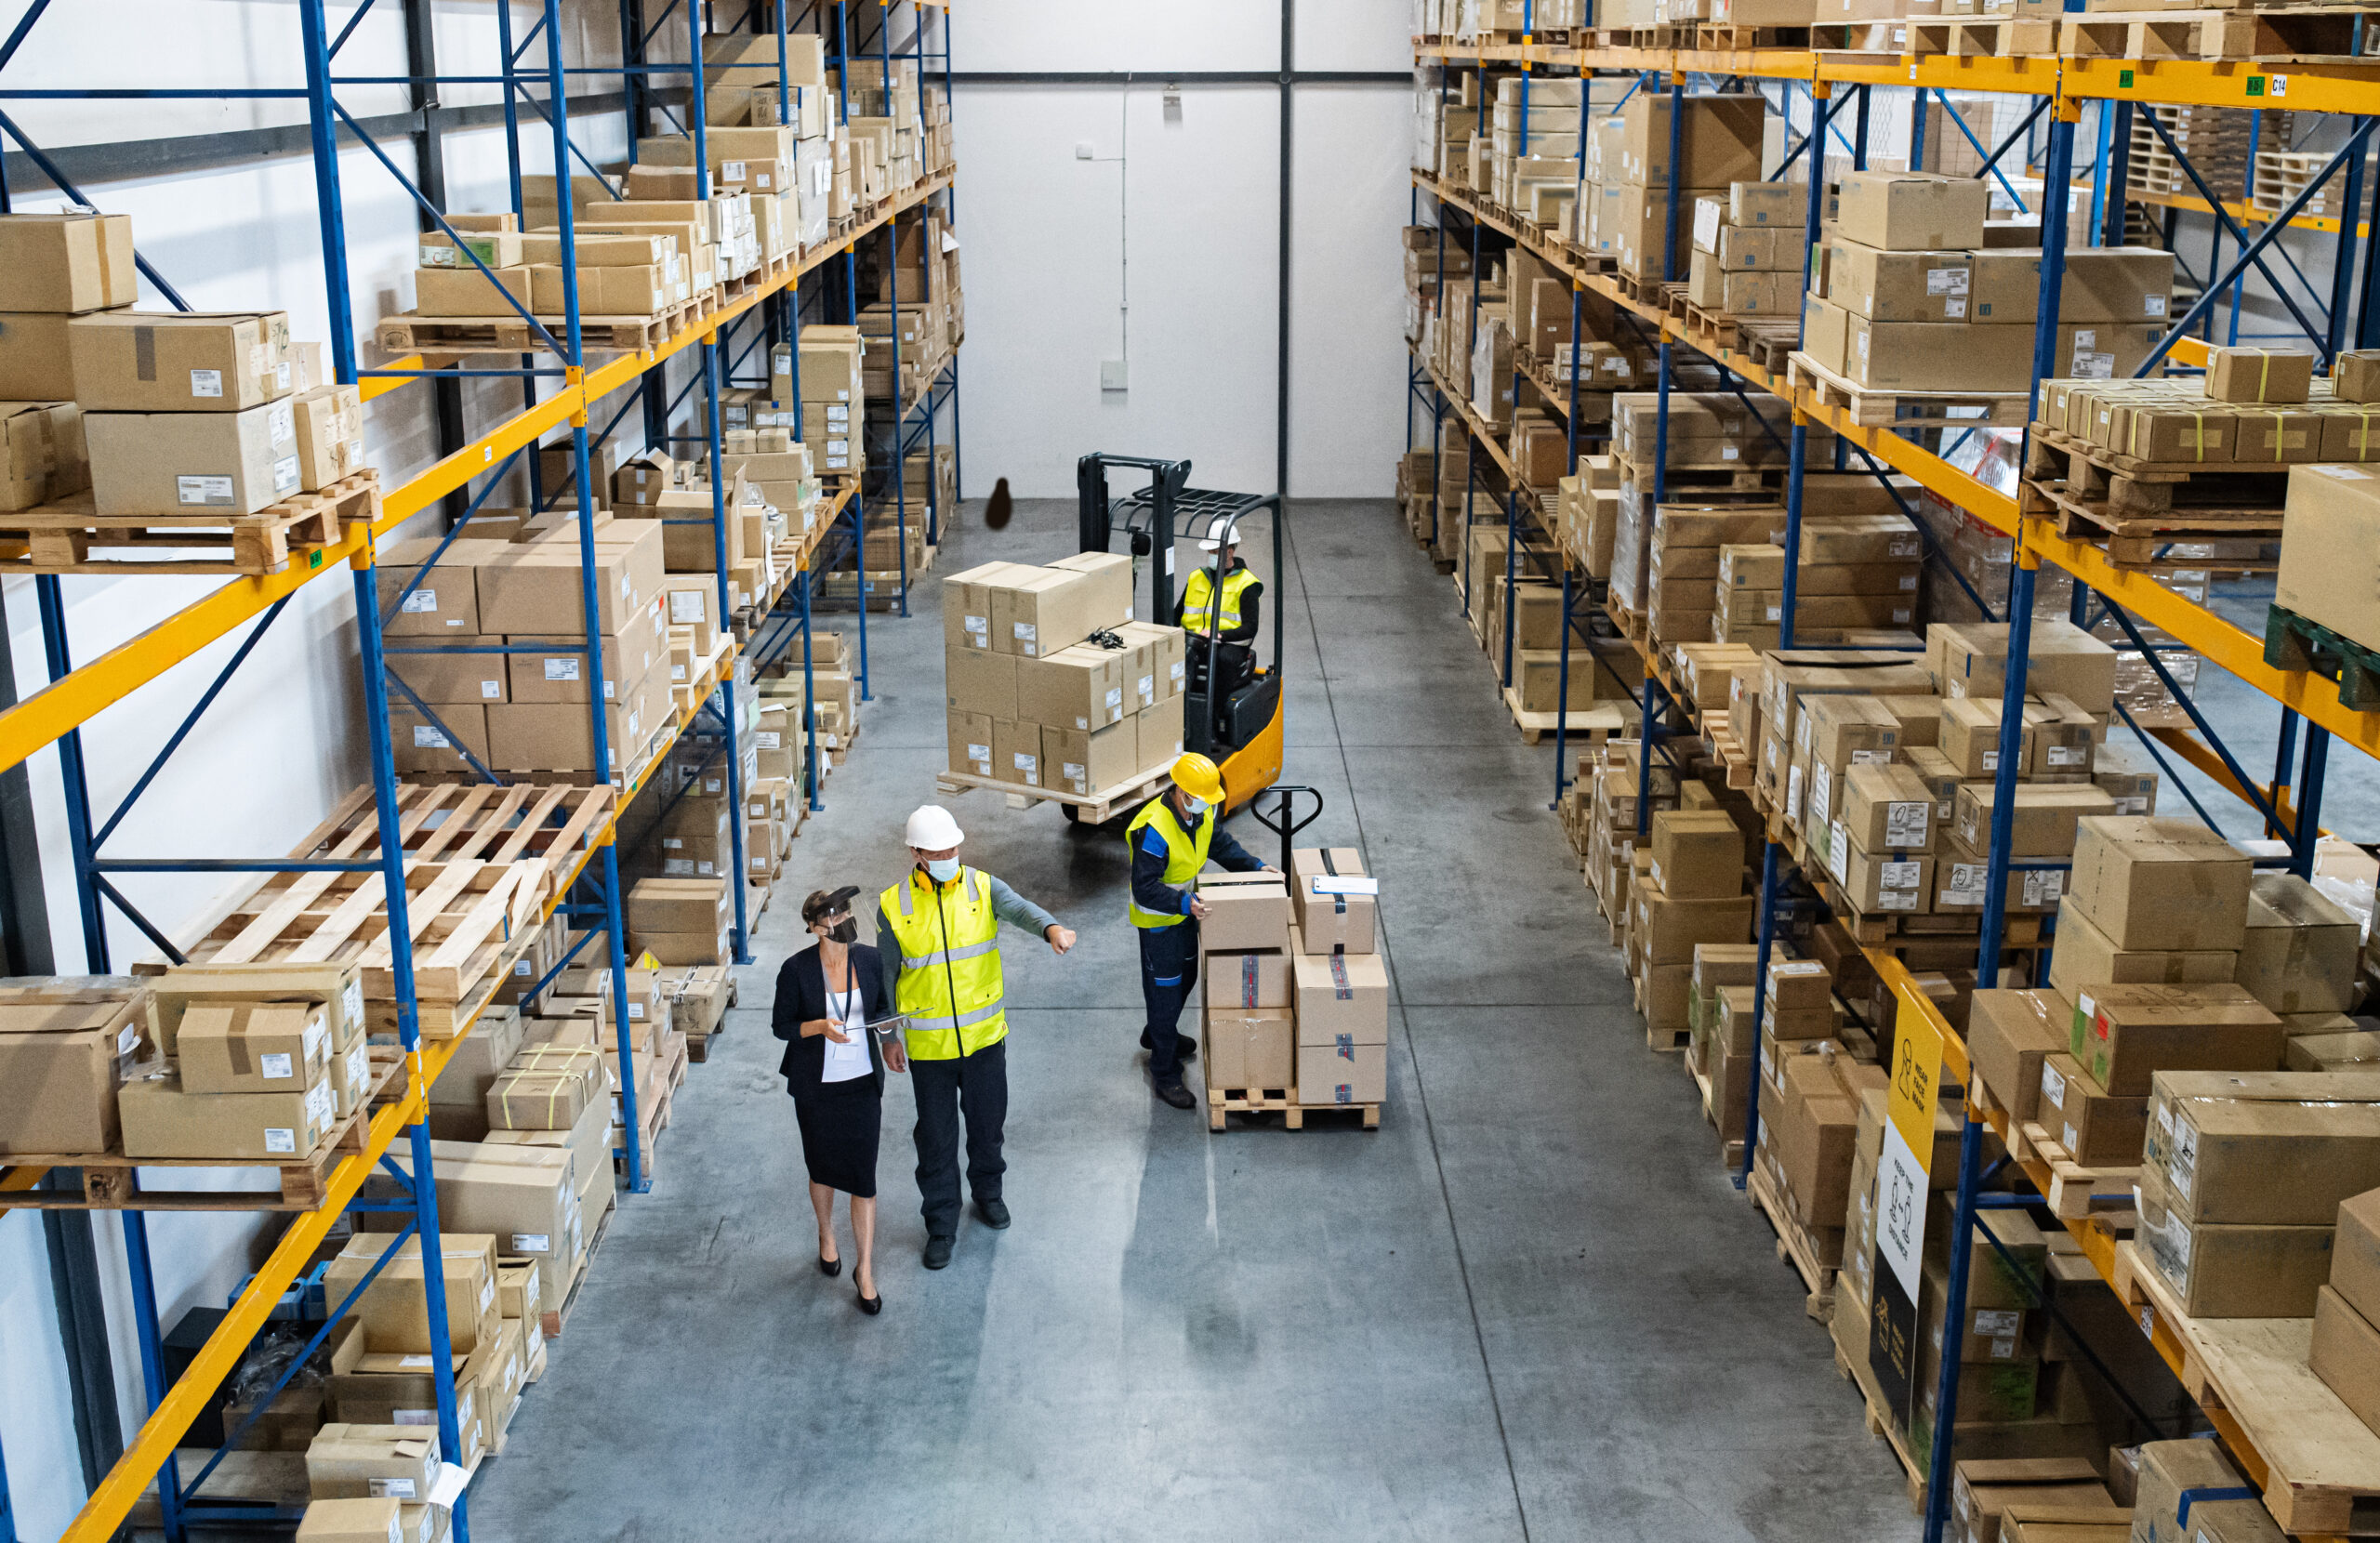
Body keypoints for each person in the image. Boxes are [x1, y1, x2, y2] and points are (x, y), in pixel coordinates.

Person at [876, 805, 1076, 1271]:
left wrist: (1051, 928)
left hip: (985, 1040)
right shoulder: (893, 905)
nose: (949, 856)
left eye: (953, 848)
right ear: (916, 853)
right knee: (937, 1140)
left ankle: (988, 1194)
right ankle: (941, 1224)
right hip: (930, 1051)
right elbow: (884, 975)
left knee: (987, 1127)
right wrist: (888, 1036)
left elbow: (1020, 909)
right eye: (938, 851)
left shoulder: (982, 887)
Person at [773, 886, 904, 1315]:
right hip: (817, 1087)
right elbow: (781, 1026)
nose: (843, 918)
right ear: (814, 928)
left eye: (845, 909)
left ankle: (864, 1270)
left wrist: (889, 1040)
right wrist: (818, 1028)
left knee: (864, 1178)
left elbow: (881, 1007)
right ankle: (826, 1235)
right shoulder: (796, 970)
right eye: (832, 914)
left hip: (862, 1084)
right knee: (823, 1169)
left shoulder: (868, 959)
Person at [1127, 752, 1274, 1110]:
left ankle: (1160, 1033)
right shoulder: (1154, 829)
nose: (1206, 807)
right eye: (1200, 799)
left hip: (1187, 913)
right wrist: (1182, 904)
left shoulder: (1200, 810)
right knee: (1164, 993)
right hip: (1159, 922)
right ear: (1180, 791)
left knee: (1188, 976)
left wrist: (1256, 867)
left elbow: (1219, 844)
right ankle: (1164, 1071)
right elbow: (1145, 886)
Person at [1175, 526, 1262, 695]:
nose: (1210, 556)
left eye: (1214, 552)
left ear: (1229, 552)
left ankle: (1214, 714)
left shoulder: (1247, 584)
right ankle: (1180, 708)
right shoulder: (1196, 577)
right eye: (1210, 552)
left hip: (1229, 644)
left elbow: (1251, 627)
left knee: (1221, 660)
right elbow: (1177, 613)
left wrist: (1219, 635)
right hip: (1194, 639)